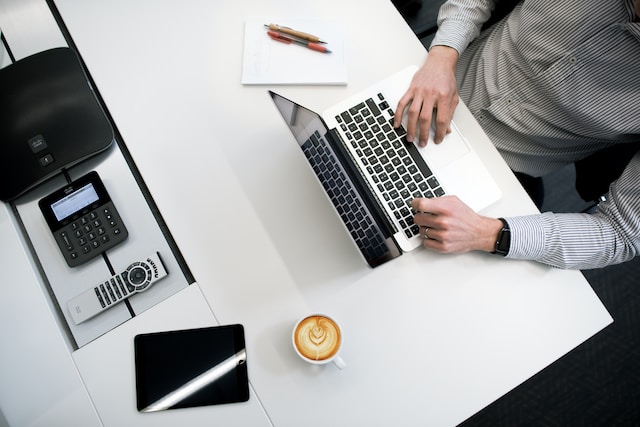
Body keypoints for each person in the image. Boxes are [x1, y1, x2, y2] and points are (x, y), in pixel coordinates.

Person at [394, 0, 640, 269]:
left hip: (496, 174)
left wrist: (487, 233)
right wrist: (443, 55)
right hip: (424, 79)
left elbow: (621, 232)